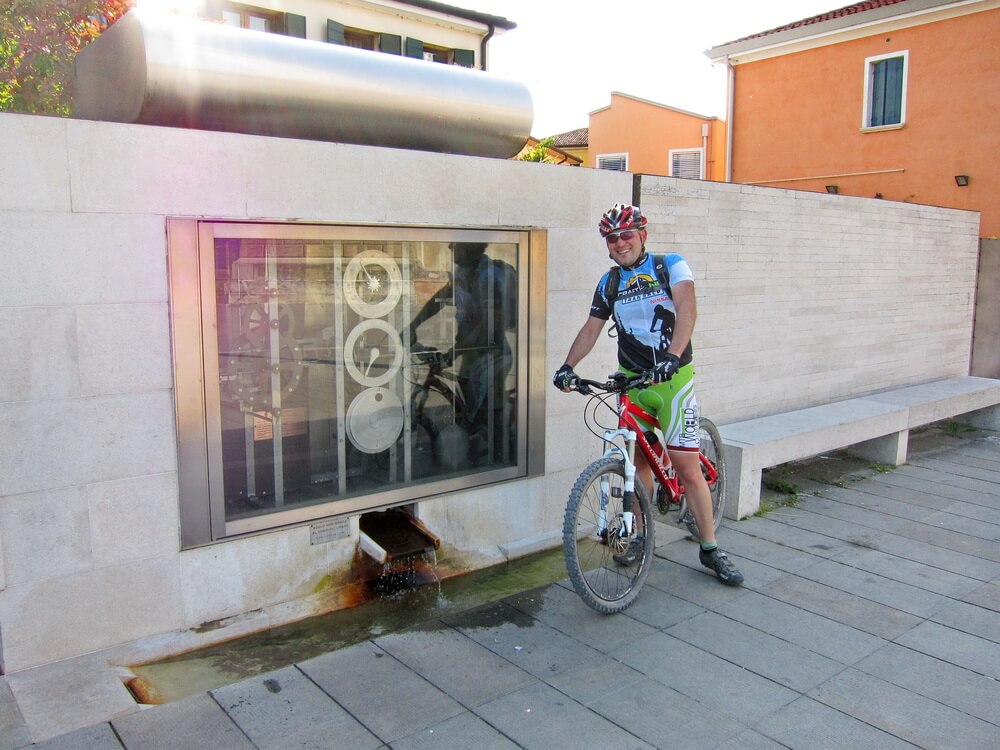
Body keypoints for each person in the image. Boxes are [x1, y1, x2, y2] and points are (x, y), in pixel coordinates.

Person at [553, 203, 743, 586]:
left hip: (673, 383)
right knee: (636, 464)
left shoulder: (669, 265)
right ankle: (639, 536)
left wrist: (673, 356)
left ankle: (710, 548)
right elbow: (591, 329)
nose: (620, 242)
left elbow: (687, 309)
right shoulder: (609, 284)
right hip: (633, 384)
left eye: (626, 234)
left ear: (643, 234)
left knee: (688, 468)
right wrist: (567, 367)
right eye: (611, 237)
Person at [408, 242, 516, 466]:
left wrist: (452, 352)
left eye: (455, 246)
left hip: (492, 355)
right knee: (469, 406)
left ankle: (503, 458)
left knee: (487, 412)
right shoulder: (464, 273)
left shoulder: (488, 277)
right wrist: (413, 325)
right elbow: (441, 298)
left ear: (470, 248)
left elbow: (488, 326)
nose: (450, 249)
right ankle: (479, 446)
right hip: (471, 353)